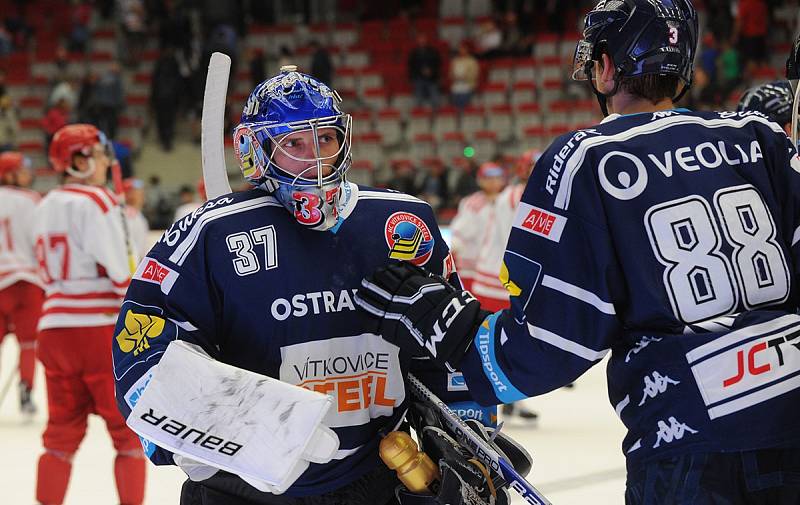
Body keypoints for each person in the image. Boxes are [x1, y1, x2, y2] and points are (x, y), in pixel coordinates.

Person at [356, 1, 800, 503]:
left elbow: (550, 344)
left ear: (606, 67)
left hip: (689, 443)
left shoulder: (584, 158)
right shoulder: (759, 137)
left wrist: (449, 328)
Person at [112, 66, 511, 505]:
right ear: (257, 149)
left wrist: (468, 436)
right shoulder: (209, 233)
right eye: (294, 143)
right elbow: (141, 352)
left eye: (325, 138)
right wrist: (236, 430)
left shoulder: (400, 222)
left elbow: (443, 345)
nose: (316, 158)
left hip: (378, 476)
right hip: (245, 488)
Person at [33, 124, 145, 505]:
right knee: (129, 437)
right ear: (79, 160)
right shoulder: (98, 201)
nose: (103, 163)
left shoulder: (43, 202)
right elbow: (120, 275)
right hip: (98, 329)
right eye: (97, 155)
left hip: (53, 327)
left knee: (59, 439)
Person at [0, 151, 42, 419]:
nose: (28, 174)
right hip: (27, 281)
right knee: (29, 343)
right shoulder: (32, 200)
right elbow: (41, 241)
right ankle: (26, 391)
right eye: (23, 169)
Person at [122, 177, 151, 260]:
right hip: (130, 266)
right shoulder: (128, 215)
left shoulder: (137, 215)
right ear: (128, 194)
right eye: (138, 191)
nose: (143, 194)